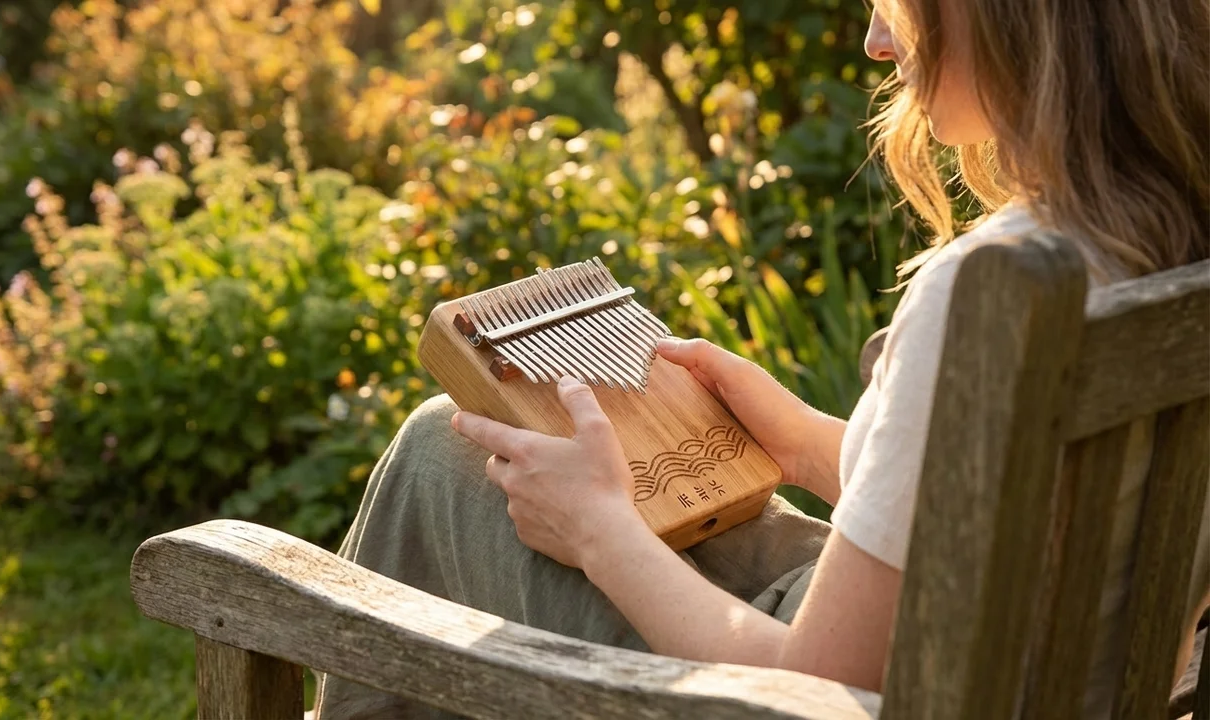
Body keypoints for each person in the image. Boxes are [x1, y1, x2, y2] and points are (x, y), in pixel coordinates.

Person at [313, 0, 1209, 716]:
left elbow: (818, 687)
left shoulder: (993, 291)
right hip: (1025, 670)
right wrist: (805, 443)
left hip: (836, 695)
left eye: (901, 3)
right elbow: (982, 506)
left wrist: (602, 533)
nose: (876, 41)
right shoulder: (1169, 244)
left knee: (446, 447)